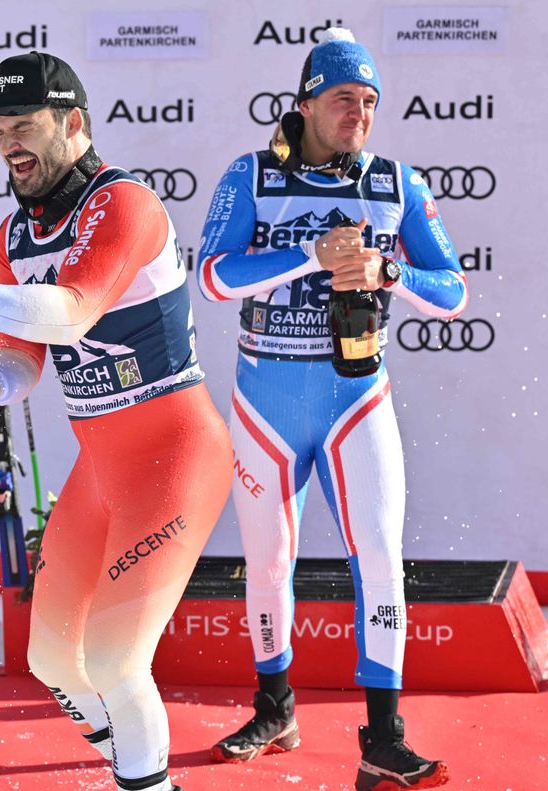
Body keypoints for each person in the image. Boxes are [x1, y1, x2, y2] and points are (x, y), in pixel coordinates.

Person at [0, 51, 231, 791]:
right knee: (54, 659)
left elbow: (70, 310)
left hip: (176, 454)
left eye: (24, 125)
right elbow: (26, 362)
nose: (9, 142)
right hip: (101, 467)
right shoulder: (16, 238)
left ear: (73, 122)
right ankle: (139, 766)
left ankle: (143, 781)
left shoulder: (126, 204)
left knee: (117, 657)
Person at [196, 29, 465, 791]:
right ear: (308, 101)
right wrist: (312, 254)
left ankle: (384, 740)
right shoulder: (248, 175)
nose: (359, 112)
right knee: (269, 562)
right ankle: (274, 705)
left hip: (356, 398)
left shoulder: (396, 183)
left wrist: (387, 267)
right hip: (265, 402)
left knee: (378, 558)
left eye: (370, 101)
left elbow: (453, 293)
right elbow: (214, 277)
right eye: (344, 97)